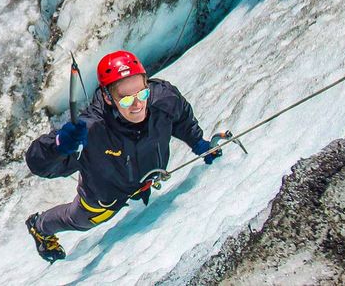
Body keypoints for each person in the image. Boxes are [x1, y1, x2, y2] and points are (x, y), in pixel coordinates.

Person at [24, 50, 221, 262]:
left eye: (142, 94)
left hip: (146, 178)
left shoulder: (163, 99)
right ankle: (39, 226)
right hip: (105, 198)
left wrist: (198, 142)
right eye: (126, 99)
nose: (137, 104)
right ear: (108, 97)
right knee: (77, 220)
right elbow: (38, 163)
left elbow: (181, 118)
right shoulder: (92, 130)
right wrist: (59, 146)